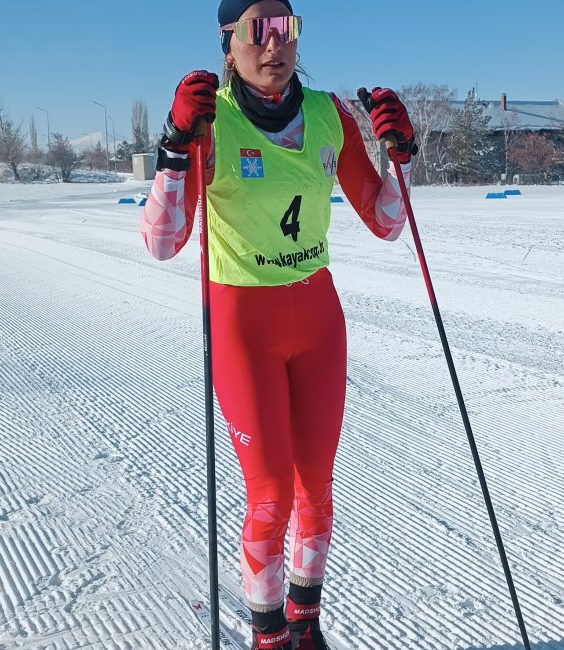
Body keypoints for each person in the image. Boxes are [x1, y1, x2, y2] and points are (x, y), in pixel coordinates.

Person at [141, 0, 416, 646]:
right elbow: (162, 242)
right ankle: (267, 635)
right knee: (271, 498)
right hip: (245, 323)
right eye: (256, 30)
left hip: (318, 318)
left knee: (315, 490)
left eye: (285, 28)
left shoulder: (328, 115)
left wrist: (400, 156)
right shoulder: (211, 121)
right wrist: (175, 146)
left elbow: (386, 223)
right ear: (227, 43)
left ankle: (305, 623)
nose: (274, 45)